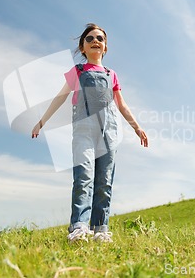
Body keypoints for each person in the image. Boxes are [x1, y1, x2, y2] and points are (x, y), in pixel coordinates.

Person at [32, 23, 148, 243]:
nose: (96, 41)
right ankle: (79, 227)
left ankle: (100, 230)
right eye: (90, 38)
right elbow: (60, 98)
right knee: (84, 177)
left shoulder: (111, 74)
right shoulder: (78, 71)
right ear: (82, 47)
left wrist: (137, 127)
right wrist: (41, 121)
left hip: (109, 131)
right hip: (84, 130)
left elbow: (122, 105)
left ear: (105, 48)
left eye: (100, 39)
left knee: (104, 181)